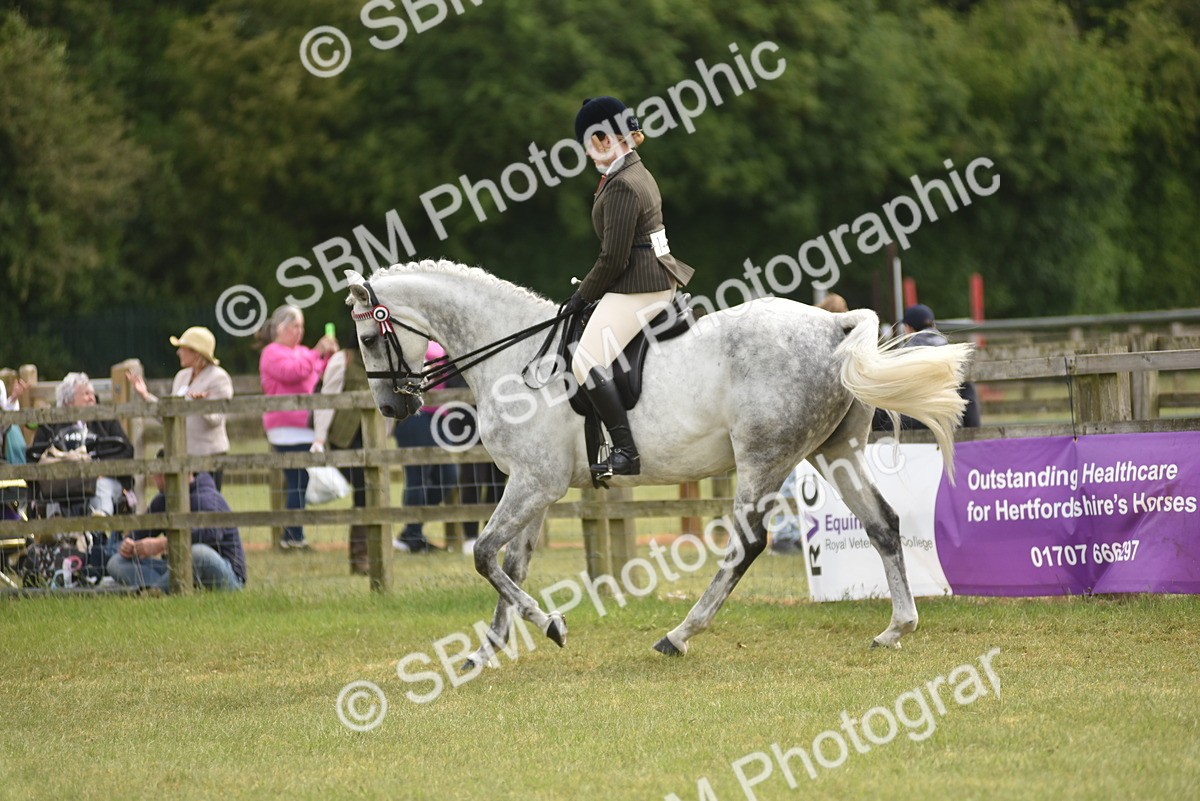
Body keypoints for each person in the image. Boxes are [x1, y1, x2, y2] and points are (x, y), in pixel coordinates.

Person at [564, 96, 695, 480]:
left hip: (641, 284)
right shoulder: (634, 171)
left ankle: (625, 451)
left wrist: (581, 295)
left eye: (588, 146)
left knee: (585, 360)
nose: (588, 155)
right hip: (649, 276)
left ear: (604, 139)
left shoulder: (622, 185)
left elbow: (613, 260)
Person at [256, 305, 338, 550]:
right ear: (281, 328)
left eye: (302, 326)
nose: (300, 331)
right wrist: (316, 352)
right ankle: (292, 536)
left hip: (305, 426)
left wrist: (329, 357)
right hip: (285, 429)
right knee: (298, 479)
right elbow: (293, 372)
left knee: (300, 480)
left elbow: (317, 372)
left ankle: (293, 535)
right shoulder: (271, 352)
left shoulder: (302, 351)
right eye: (295, 326)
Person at [106, 451, 246, 591]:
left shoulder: (206, 497)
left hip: (227, 575)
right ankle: (161, 588)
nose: (155, 477)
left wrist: (162, 544)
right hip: (175, 568)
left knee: (197, 553)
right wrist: (130, 545)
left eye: (158, 472)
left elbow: (213, 534)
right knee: (116, 562)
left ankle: (155, 591)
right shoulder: (163, 499)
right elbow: (140, 532)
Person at [129, 326, 233, 490]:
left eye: (183, 348)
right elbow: (168, 416)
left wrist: (200, 405)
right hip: (180, 454)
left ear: (196, 353)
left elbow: (216, 419)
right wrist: (145, 395)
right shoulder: (182, 376)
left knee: (205, 506)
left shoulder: (219, 378)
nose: (178, 352)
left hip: (208, 456)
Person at [27, 373, 135, 516]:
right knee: (53, 490)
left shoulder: (106, 419)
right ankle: (55, 527)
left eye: (93, 394)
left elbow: (127, 450)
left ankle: (99, 520)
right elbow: (33, 459)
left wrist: (102, 470)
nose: (92, 398)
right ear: (68, 400)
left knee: (100, 487)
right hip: (62, 484)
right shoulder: (50, 425)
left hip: (102, 481)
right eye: (86, 394)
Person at [871, 303, 981, 429]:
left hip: (913, 421)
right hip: (950, 420)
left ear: (909, 328)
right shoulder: (951, 352)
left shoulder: (905, 353)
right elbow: (967, 393)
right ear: (933, 324)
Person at [391, 342, 455, 553]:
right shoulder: (407, 337)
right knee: (418, 478)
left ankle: (412, 529)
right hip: (416, 416)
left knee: (448, 477)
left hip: (439, 415)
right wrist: (427, 370)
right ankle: (411, 535)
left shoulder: (438, 337)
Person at [313, 335, 370, 573]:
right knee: (364, 493)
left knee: (368, 495)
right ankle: (361, 557)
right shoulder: (343, 360)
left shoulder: (382, 360)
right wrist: (320, 437)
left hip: (369, 439)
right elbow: (328, 399)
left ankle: (365, 555)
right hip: (343, 439)